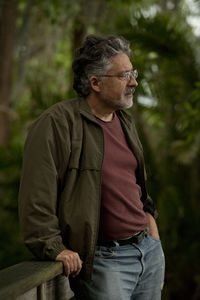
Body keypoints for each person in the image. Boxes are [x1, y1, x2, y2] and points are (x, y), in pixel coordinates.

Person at [19, 35, 165, 300]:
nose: (133, 82)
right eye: (124, 76)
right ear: (95, 83)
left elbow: (135, 184)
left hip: (149, 252)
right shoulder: (56, 124)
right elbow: (35, 198)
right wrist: (53, 247)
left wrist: (151, 226)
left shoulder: (125, 121)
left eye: (133, 73)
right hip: (105, 262)